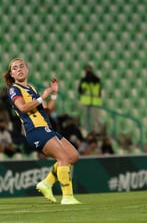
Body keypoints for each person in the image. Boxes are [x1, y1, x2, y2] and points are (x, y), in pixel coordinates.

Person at [4, 58, 81, 204]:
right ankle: (67, 197)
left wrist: (54, 94)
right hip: (35, 130)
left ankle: (46, 183)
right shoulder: (14, 89)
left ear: (27, 69)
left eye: (21, 66)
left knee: (73, 156)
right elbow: (23, 108)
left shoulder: (31, 88)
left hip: (47, 128)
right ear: (12, 74)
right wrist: (42, 97)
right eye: (15, 68)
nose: (19, 69)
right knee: (63, 158)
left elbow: (48, 108)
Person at [78, 64, 103, 135]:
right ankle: (86, 130)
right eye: (87, 69)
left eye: (89, 69)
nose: (88, 71)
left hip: (95, 102)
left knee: (95, 117)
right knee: (85, 117)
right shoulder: (83, 80)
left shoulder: (96, 80)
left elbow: (99, 91)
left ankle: (97, 131)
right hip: (85, 101)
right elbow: (80, 90)